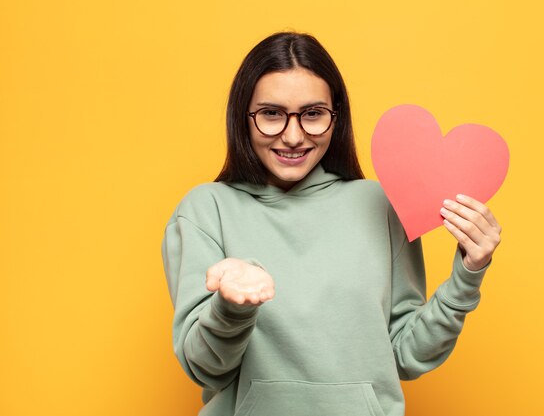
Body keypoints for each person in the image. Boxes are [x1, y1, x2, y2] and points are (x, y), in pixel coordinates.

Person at [161, 32, 501, 416]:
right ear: (243, 117)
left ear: (335, 117)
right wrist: (230, 306)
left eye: (312, 114)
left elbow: (406, 353)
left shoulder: (379, 205)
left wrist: (468, 274)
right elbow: (204, 366)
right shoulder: (207, 209)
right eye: (271, 113)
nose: (293, 136)